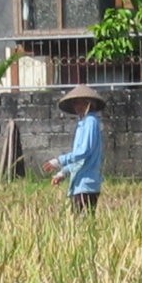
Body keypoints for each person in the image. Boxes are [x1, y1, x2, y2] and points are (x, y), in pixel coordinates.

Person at [42, 84, 105, 215]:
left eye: (80, 103)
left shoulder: (91, 122)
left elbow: (84, 152)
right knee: (77, 224)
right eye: (75, 103)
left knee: (83, 223)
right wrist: (63, 173)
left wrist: (59, 161)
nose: (77, 107)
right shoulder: (82, 124)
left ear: (89, 103)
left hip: (87, 184)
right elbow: (78, 159)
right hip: (78, 185)